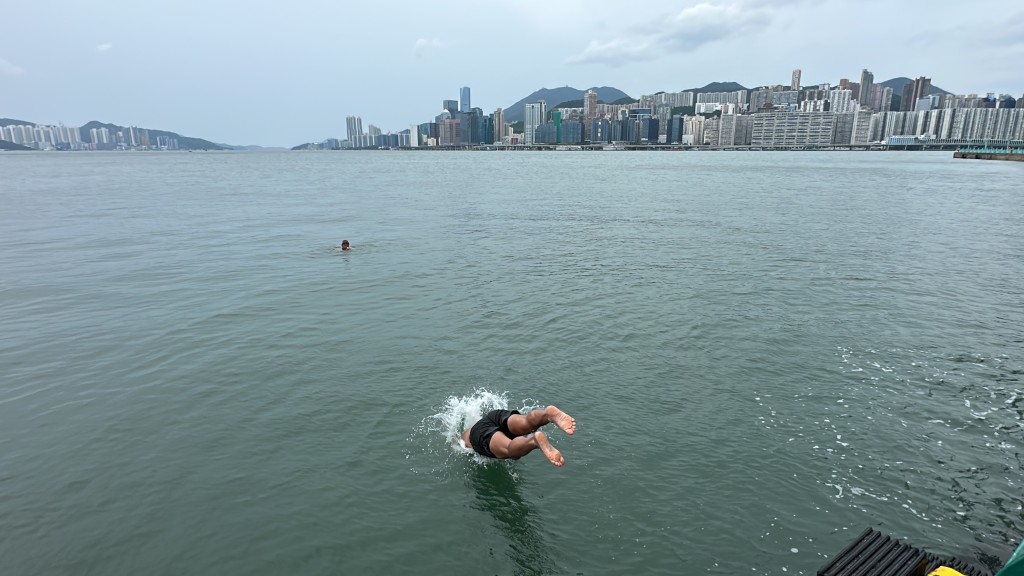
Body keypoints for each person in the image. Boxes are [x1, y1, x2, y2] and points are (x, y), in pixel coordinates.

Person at [461, 406, 576, 467]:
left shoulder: (462, 441)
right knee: (527, 423)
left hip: (479, 435)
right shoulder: (476, 424)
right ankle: (547, 415)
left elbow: (461, 446)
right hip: (494, 416)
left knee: (509, 449)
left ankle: (534, 442)